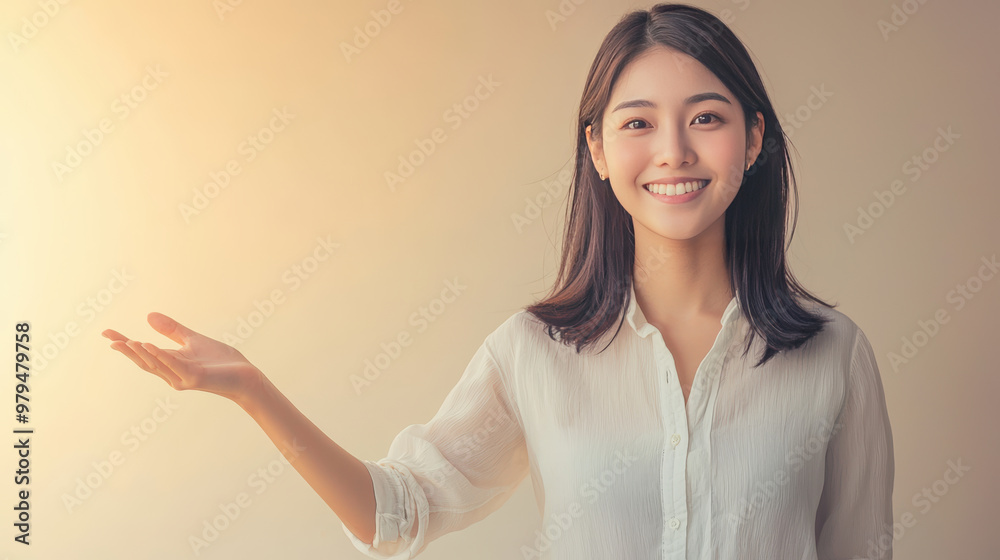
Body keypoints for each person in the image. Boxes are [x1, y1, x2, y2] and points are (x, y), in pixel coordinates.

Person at [102, 3, 895, 559]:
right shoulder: (533, 354)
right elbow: (396, 516)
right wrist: (251, 388)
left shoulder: (834, 356)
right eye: (638, 122)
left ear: (754, 138)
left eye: (708, 117)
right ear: (596, 148)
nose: (673, 152)